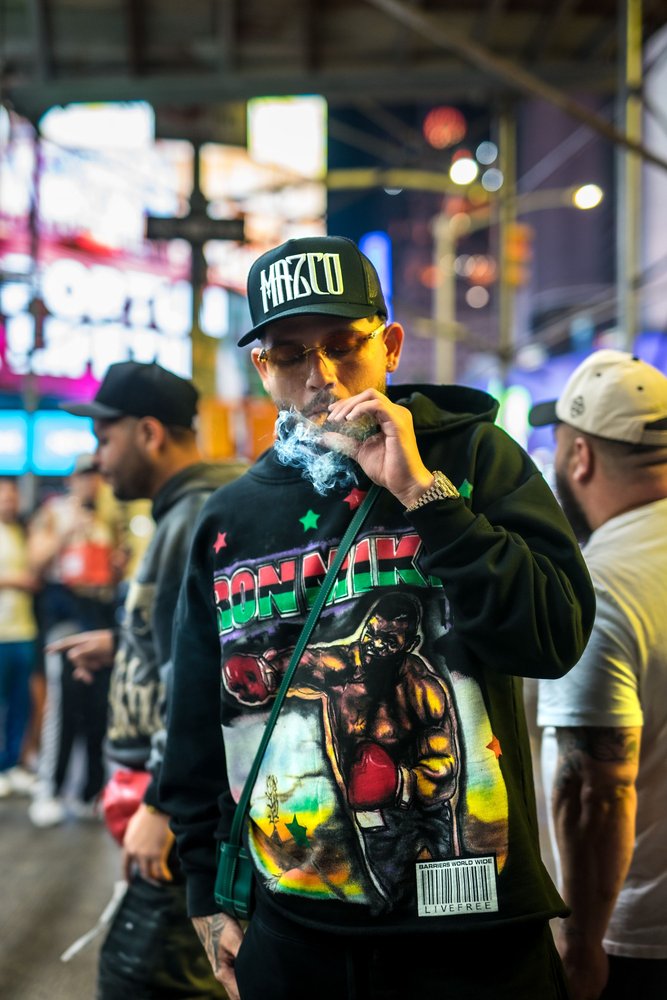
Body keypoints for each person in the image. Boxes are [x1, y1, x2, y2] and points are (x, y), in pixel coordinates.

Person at [159, 234, 596, 1000]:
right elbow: (197, 719)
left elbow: (551, 636)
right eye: (290, 355)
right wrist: (208, 894)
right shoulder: (228, 518)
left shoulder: (473, 460)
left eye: (342, 345)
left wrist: (423, 493)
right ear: (262, 369)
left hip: (473, 931)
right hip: (296, 933)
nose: (321, 376)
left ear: (388, 346)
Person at [49, 361, 247, 999]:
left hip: (176, 809)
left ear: (150, 434)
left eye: (105, 439)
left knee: (145, 979)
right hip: (168, 802)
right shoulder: (182, 512)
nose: (98, 458)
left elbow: (205, 680)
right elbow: (186, 642)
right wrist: (123, 645)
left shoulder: (194, 516)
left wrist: (163, 805)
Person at [529, 350, 667, 1000]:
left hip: (635, 938)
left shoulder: (599, 587)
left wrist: (580, 943)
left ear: (579, 456)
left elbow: (593, 790)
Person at [27, 453, 126, 827]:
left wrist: (116, 565)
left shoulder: (106, 518)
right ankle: (49, 789)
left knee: (99, 708)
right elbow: (35, 565)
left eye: (95, 475)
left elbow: (111, 574)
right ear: (72, 479)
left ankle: (91, 792)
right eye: (84, 475)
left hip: (98, 614)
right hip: (65, 617)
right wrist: (66, 533)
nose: (90, 482)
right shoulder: (54, 513)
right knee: (63, 707)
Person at [0, 476, 38, 797]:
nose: (8, 501)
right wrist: (16, 580)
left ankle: (13, 764)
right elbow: (25, 578)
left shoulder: (24, 532)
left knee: (19, 703)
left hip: (24, 630)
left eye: (12, 496)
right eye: (3, 496)